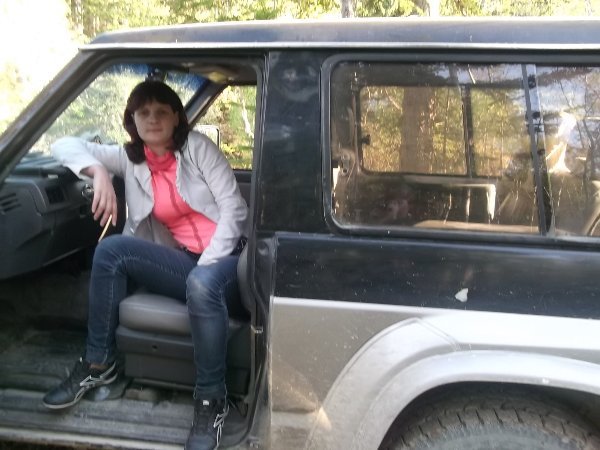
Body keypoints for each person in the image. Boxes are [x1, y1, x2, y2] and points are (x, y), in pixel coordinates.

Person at [43, 79, 248, 450]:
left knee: (202, 284)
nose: (152, 119)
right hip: (186, 262)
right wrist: (98, 172)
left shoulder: (198, 148)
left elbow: (234, 210)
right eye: (144, 112)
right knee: (111, 250)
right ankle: (98, 364)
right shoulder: (129, 158)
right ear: (132, 119)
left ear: (176, 117)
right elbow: (62, 144)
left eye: (161, 111)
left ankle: (211, 400)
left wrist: (206, 265)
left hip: (230, 262)